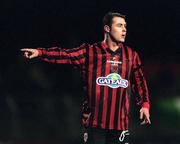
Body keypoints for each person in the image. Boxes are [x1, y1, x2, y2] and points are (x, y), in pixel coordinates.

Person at [21, 12, 151, 144]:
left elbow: (139, 81)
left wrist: (144, 105)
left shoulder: (131, 55)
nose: (124, 29)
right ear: (107, 28)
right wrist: (40, 52)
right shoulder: (89, 52)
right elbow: (66, 55)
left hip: (120, 127)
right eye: (119, 25)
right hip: (94, 126)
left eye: (125, 26)